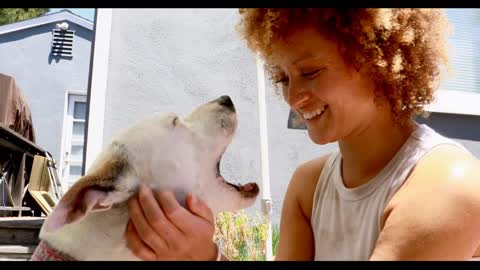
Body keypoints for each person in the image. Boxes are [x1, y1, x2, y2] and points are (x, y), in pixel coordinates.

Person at [124, 8, 480, 261]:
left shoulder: (450, 184)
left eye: (310, 72)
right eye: (281, 78)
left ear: (376, 58)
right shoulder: (309, 187)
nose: (292, 97)